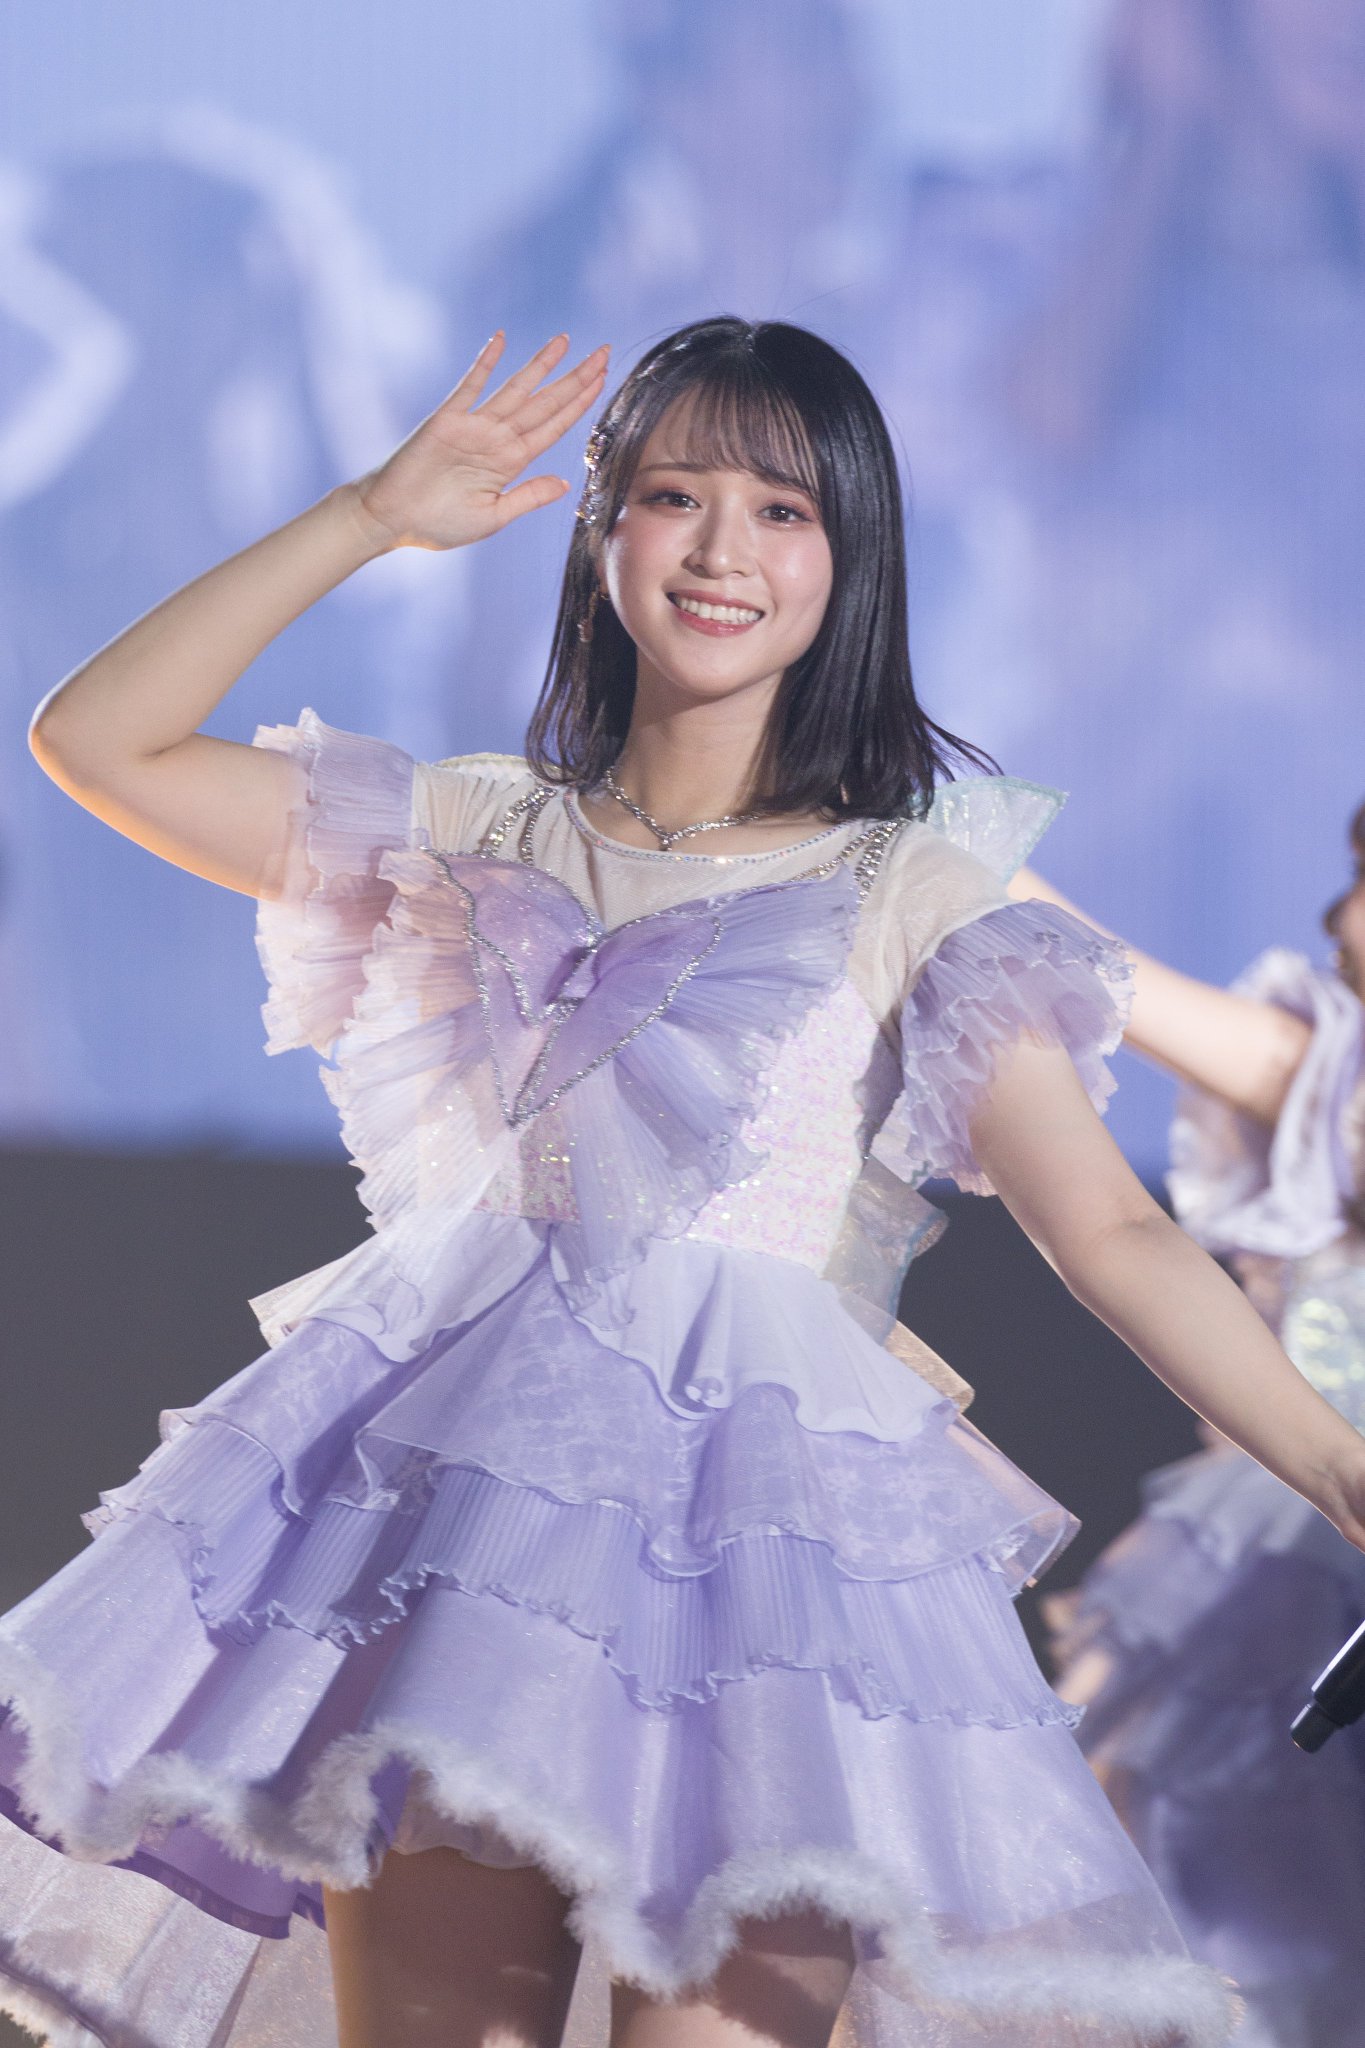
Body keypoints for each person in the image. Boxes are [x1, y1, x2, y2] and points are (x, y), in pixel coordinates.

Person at [1, 316, 1362, 2048]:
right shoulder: (473, 827)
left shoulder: (913, 887)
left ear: (851, 560)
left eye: (784, 511)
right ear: (604, 529)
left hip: (775, 1579)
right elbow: (97, 741)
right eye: (675, 495)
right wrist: (369, 516)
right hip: (459, 1549)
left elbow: (1114, 1231)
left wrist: (1345, 1472)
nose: (724, 549)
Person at [1015, 824, 1365, 2048]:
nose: (1336, 914)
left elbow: (1097, 958)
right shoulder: (1318, 1059)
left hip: (1298, 1546)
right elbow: (1097, 962)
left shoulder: (1305, 1057)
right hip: (1301, 1524)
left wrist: (957, 845)